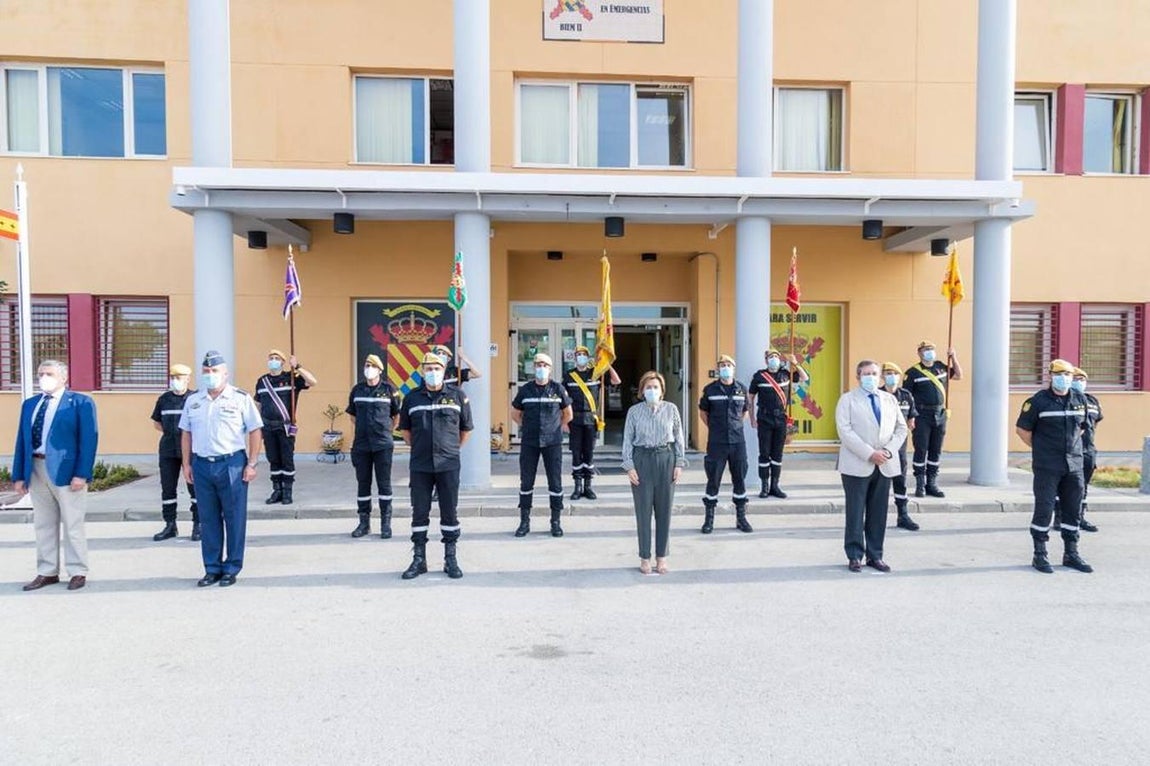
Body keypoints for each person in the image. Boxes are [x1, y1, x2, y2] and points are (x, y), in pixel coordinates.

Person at [13, 360, 99, 592]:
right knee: (44, 524)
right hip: (36, 468)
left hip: (67, 472)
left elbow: (88, 441)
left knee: (72, 524)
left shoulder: (80, 403)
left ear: (63, 377)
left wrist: (82, 473)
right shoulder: (30, 404)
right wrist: (19, 475)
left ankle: (77, 570)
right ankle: (47, 571)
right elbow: (22, 440)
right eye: (40, 374)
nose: (43, 378)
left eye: (49, 374)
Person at [180, 350, 264, 587]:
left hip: (232, 464)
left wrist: (252, 463)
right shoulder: (193, 401)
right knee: (208, 519)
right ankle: (212, 568)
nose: (210, 375)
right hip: (202, 464)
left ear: (225, 374)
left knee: (234, 517)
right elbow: (186, 433)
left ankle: (232, 566)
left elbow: (255, 430)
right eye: (206, 372)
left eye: (214, 371)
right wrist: (186, 464)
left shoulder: (240, 398)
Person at [397, 352, 473, 579]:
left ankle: (450, 559)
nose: (432, 373)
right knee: (419, 512)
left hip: (448, 464)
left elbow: (466, 430)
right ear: (422, 371)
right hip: (420, 465)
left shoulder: (458, 396)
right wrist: (420, 448)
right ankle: (419, 560)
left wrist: (451, 449)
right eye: (428, 369)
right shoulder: (411, 398)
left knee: (449, 513)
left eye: (436, 369)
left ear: (444, 370)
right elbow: (405, 431)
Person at [1015, 359, 1093, 574]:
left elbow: (1083, 428)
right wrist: (1042, 448)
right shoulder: (1038, 401)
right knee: (1045, 508)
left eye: (1067, 374)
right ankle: (1040, 554)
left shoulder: (1079, 399)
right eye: (1059, 374)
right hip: (1047, 465)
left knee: (1072, 509)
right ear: (1050, 376)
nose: (1064, 378)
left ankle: (1071, 553)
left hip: (1074, 464)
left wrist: (1070, 448)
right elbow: (1022, 430)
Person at [834, 360, 908, 573]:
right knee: (856, 512)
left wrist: (887, 451)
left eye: (874, 373)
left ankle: (875, 555)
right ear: (858, 377)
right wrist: (869, 453)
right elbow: (845, 431)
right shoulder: (847, 400)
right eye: (866, 373)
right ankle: (855, 555)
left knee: (878, 512)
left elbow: (901, 429)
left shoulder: (889, 400)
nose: (871, 377)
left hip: (884, 463)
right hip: (857, 463)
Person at [621, 371, 687, 575]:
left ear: (662, 391)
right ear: (642, 391)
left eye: (655, 387)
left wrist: (679, 462)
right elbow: (627, 440)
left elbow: (678, 437)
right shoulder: (634, 411)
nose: (652, 390)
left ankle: (662, 557)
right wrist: (629, 466)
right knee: (643, 511)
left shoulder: (671, 409)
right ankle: (645, 557)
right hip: (642, 459)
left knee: (664, 511)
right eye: (648, 387)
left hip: (665, 458)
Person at [511, 352, 573, 537]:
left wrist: (558, 427)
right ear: (533, 367)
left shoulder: (558, 389)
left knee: (555, 482)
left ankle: (555, 522)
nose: (541, 368)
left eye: (544, 365)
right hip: (530, 442)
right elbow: (515, 413)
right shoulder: (525, 390)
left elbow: (568, 414)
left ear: (550, 368)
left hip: (552, 443)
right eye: (538, 364)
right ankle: (524, 522)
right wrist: (526, 426)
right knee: (526, 481)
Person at [254, 348, 316, 505]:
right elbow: (258, 405)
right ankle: (277, 490)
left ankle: (288, 491)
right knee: (273, 459)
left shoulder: (292, 378)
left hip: (285, 427)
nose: (273, 360)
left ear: (282, 362)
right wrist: (258, 427)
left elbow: (312, 381)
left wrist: (298, 367)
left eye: (276, 358)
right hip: (268, 427)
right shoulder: (262, 381)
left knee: (286, 460)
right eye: (271, 357)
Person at [347, 354, 399, 539]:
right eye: (366, 365)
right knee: (363, 484)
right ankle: (364, 523)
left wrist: (385, 431)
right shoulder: (357, 390)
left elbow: (396, 415)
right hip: (361, 444)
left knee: (384, 484)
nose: (368, 368)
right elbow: (352, 416)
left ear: (380, 369)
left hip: (383, 444)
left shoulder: (389, 390)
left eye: (372, 365)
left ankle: (386, 523)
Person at [699, 354, 751, 534]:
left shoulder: (741, 389)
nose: (725, 367)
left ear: (734, 368)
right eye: (722, 365)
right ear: (718, 369)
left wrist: (734, 427)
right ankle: (709, 520)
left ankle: (741, 518)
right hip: (717, 442)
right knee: (713, 479)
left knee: (740, 479)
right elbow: (703, 413)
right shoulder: (710, 390)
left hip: (738, 442)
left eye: (728, 364)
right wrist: (715, 428)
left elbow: (744, 412)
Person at [903, 340, 963, 498]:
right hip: (921, 415)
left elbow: (958, 375)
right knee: (921, 449)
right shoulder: (913, 373)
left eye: (931, 349)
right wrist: (910, 417)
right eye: (925, 349)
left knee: (936, 450)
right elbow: (907, 397)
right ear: (919, 353)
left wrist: (954, 357)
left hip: (940, 414)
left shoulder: (940, 367)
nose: (929, 352)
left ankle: (932, 483)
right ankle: (920, 484)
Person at [748, 347, 808, 499]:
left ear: (780, 359)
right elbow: (750, 399)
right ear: (766, 360)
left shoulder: (785, 374)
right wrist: (752, 419)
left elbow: (804, 378)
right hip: (764, 419)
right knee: (764, 453)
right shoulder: (759, 376)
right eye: (770, 357)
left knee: (777, 454)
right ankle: (765, 486)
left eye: (776, 356)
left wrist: (795, 363)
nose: (773, 359)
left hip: (781, 419)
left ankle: (775, 485)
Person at [564, 344, 620, 501]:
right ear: (574, 358)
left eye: (583, 354)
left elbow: (616, 381)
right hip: (574, 420)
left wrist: (607, 365)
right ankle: (577, 487)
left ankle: (588, 487)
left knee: (588, 454)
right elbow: (563, 400)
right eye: (578, 355)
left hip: (590, 419)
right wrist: (564, 421)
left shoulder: (596, 374)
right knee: (576, 454)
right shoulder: (569, 375)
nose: (580, 357)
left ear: (588, 357)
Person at [150, 363, 200, 542]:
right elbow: (157, 423)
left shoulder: (195, 398)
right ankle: (170, 525)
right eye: (173, 377)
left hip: (191, 448)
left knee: (194, 487)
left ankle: (198, 524)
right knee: (168, 488)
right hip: (168, 448)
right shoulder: (164, 399)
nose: (175, 381)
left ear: (187, 379)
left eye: (179, 378)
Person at [881, 362, 920, 531]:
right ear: (882, 376)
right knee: (878, 483)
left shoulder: (906, 395)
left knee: (900, 481)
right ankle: (874, 518)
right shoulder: (876, 395)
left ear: (898, 376)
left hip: (899, 447)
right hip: (880, 445)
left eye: (894, 373)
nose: (891, 376)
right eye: (887, 373)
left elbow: (911, 419)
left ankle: (903, 515)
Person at [1073, 367, 1102, 533]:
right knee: (1066, 486)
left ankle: (1080, 517)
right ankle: (1060, 517)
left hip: (1088, 449)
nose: (1079, 382)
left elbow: (1095, 422)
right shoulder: (1068, 400)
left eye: (1082, 379)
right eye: (1076, 379)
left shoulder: (1092, 400)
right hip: (1070, 451)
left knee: (1084, 486)